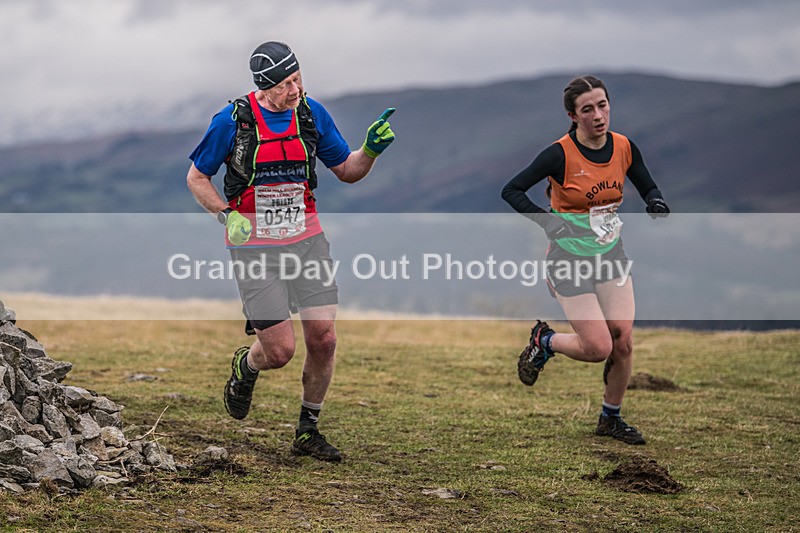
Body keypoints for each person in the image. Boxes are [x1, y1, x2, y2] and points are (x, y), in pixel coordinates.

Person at [186, 41, 396, 462]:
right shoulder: (232, 121)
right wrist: (227, 216)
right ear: (263, 87)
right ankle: (247, 366)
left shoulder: (312, 113)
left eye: (298, 78)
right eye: (285, 84)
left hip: (308, 240)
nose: (295, 89)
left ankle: (308, 430)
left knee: (325, 338)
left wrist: (370, 152)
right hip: (255, 248)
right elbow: (196, 178)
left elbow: (347, 171)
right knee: (279, 352)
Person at [501, 75, 669, 445]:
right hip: (568, 261)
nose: (598, 115)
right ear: (573, 116)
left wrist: (654, 201)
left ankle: (610, 419)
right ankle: (544, 340)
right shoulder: (559, 154)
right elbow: (511, 189)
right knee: (597, 348)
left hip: (611, 257)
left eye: (602, 105)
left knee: (623, 340)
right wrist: (549, 223)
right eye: (587, 109)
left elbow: (646, 183)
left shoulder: (624, 146)